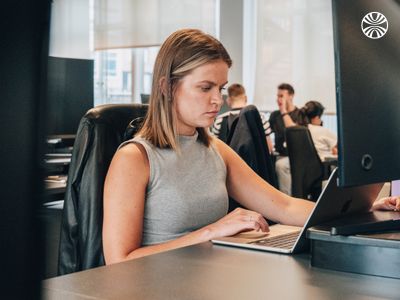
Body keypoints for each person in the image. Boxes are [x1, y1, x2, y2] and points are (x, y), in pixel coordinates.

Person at [102, 29, 395, 266]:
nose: (218, 100)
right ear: (166, 87)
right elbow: (118, 261)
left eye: (222, 88)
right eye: (206, 88)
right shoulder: (135, 158)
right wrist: (212, 232)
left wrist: (362, 209)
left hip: (208, 278)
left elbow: (284, 205)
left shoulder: (215, 149)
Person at [211, 83, 273, 152]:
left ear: (228, 100)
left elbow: (215, 148)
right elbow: (269, 147)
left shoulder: (219, 120)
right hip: (253, 162)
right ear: (245, 98)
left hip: (227, 162)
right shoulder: (260, 117)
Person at [269, 83, 306, 195]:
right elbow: (267, 134)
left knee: (281, 166)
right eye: (277, 96)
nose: (278, 99)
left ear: (291, 96)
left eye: (281, 96)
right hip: (280, 155)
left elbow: (295, 133)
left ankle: (287, 199)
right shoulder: (274, 115)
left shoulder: (300, 114)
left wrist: (284, 111)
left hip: (297, 157)